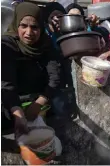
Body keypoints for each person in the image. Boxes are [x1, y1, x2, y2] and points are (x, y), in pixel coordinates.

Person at [1, 2, 62, 134]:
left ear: (41, 27)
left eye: (34, 27)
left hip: (39, 102)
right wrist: (17, 112)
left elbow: (55, 77)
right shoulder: (7, 45)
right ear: (16, 24)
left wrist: (39, 103)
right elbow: (6, 85)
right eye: (23, 26)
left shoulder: (46, 45)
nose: (29, 32)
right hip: (10, 104)